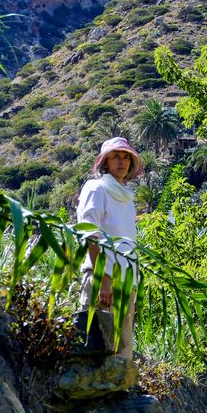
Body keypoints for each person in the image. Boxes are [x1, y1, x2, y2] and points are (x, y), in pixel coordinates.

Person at [76, 137, 143, 359]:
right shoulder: (97, 188)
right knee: (95, 347)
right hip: (103, 279)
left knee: (122, 352)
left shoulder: (126, 197)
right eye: (115, 156)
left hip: (125, 282)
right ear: (105, 162)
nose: (121, 161)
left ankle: (121, 393)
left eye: (126, 157)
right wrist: (102, 278)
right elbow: (90, 233)